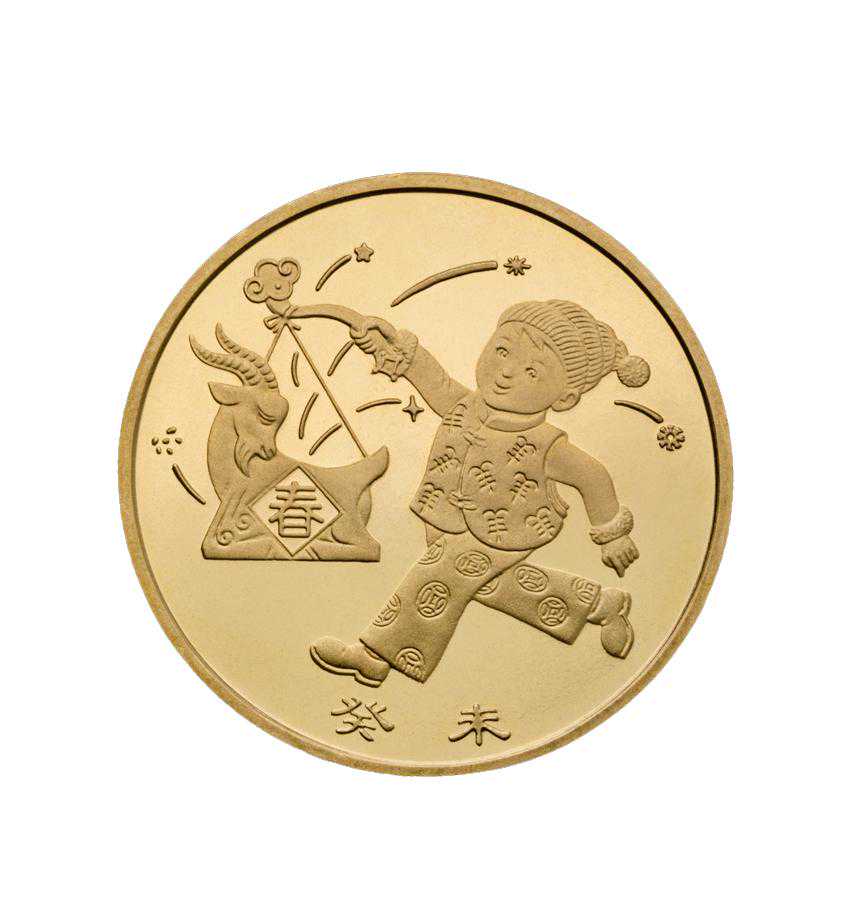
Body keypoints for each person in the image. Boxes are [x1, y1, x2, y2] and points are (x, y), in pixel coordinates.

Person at [308, 299, 649, 686]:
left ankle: (375, 656)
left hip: (508, 530)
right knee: (487, 585)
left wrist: (612, 536)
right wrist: (394, 345)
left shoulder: (547, 444)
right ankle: (600, 604)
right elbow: (431, 378)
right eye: (502, 351)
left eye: (532, 371)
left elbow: (594, 477)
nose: (506, 372)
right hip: (446, 515)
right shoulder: (463, 405)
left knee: (437, 576)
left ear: (565, 398)